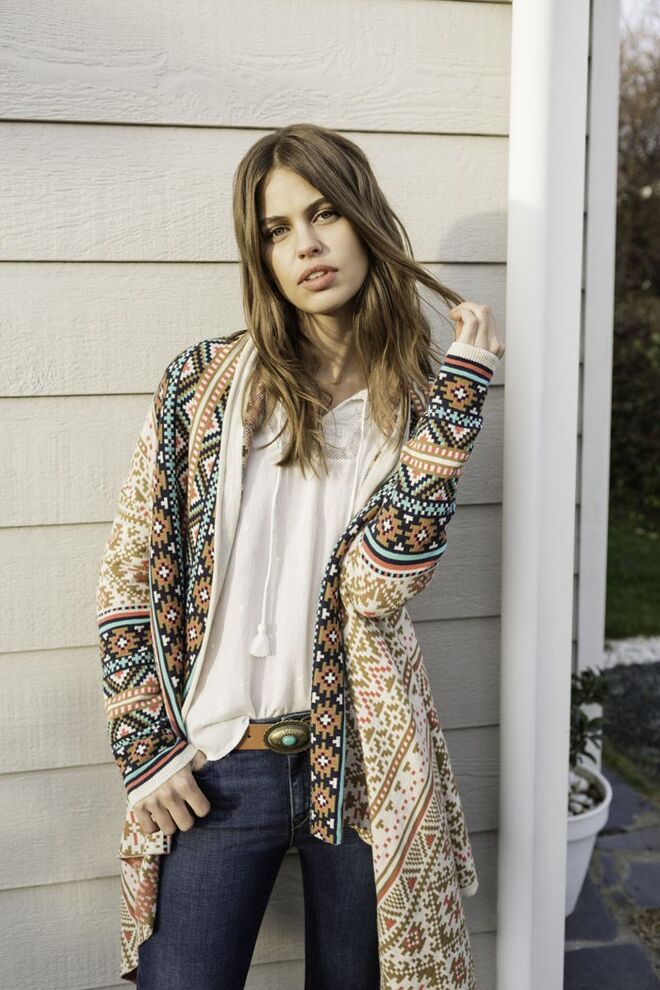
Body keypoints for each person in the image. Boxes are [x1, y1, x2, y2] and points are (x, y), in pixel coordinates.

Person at [96, 122, 505, 990]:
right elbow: (128, 574)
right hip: (215, 767)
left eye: (324, 214)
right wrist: (145, 746)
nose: (307, 246)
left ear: (365, 221)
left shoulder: (417, 401)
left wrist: (459, 399)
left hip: (357, 766)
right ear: (263, 258)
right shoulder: (201, 389)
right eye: (278, 230)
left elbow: (381, 584)